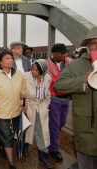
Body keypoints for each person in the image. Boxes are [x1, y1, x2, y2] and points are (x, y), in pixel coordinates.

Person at [55, 27, 97, 169]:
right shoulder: (76, 65)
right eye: (93, 43)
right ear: (87, 46)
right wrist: (82, 81)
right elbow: (59, 85)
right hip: (86, 131)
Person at [45, 43, 71, 162]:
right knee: (54, 125)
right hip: (54, 98)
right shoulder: (46, 64)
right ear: (55, 54)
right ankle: (54, 149)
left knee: (61, 123)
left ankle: (51, 140)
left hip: (66, 98)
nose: (64, 55)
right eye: (62, 53)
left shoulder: (69, 61)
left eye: (65, 53)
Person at [24, 59, 52, 169]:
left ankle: (43, 155)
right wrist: (23, 106)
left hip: (41, 108)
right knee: (27, 130)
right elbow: (21, 93)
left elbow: (48, 95)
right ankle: (24, 146)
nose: (33, 71)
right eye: (32, 69)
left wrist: (46, 106)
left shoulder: (47, 78)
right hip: (29, 107)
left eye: (36, 70)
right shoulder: (25, 76)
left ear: (42, 71)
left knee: (42, 132)